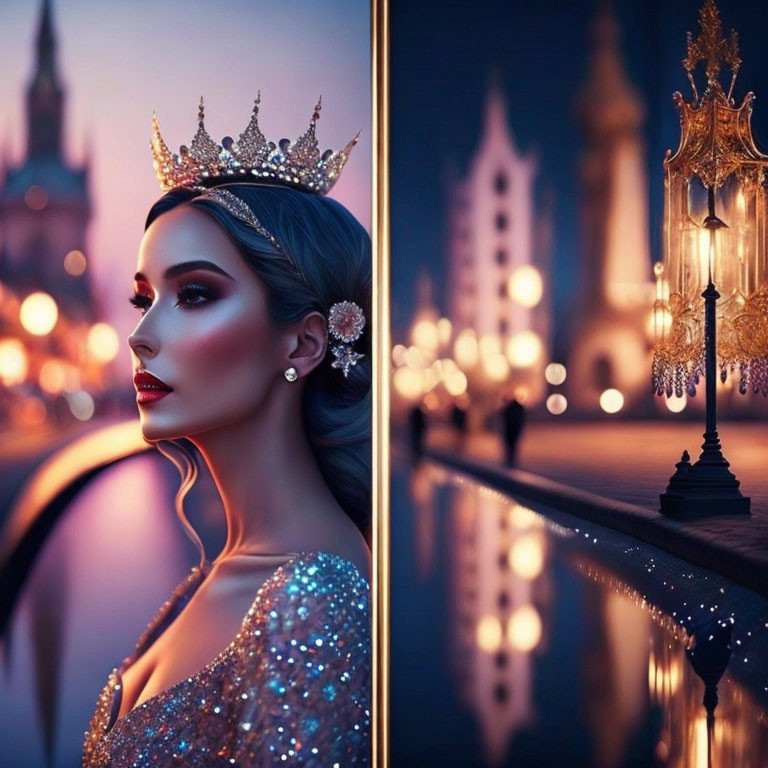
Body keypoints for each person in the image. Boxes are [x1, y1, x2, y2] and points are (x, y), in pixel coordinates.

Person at [81, 97, 372, 767]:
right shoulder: (221, 571)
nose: (140, 335)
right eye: (143, 297)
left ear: (302, 345)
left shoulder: (314, 605)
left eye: (196, 294)